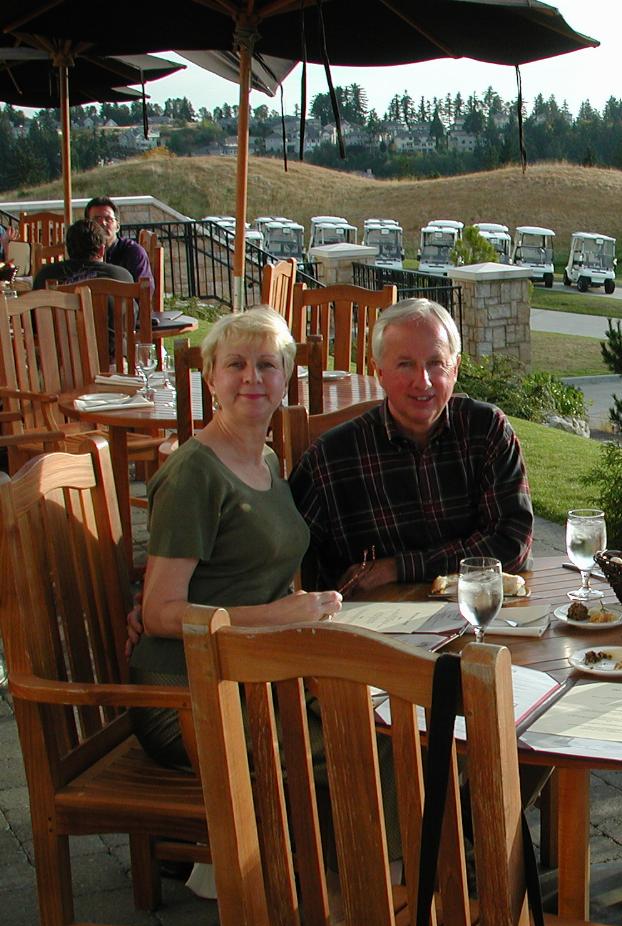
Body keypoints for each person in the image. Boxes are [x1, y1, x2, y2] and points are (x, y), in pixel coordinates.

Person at [131, 306, 341, 768]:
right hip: (188, 697)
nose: (252, 377)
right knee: (374, 748)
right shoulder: (194, 474)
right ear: (210, 379)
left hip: (253, 672)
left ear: (285, 377)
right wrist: (272, 617)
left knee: (405, 721)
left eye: (267, 364)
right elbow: (160, 614)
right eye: (235, 364)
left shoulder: (264, 458)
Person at [290, 297, 534, 593]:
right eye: (405, 365)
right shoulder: (330, 459)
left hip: (481, 619)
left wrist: (398, 568)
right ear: (378, 371)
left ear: (455, 369)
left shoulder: (486, 431)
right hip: (371, 628)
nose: (423, 382)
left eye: (435, 364)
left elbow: (512, 543)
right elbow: (286, 561)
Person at [31, 219, 132, 290]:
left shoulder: (45, 276)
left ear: (67, 249)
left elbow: (33, 317)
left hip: (62, 321)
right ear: (101, 250)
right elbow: (133, 314)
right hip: (106, 321)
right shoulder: (121, 277)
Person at [84, 196, 153, 284]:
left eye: (108, 219)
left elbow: (145, 292)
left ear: (117, 226)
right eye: (96, 219)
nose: (102, 223)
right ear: (86, 224)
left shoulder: (133, 252)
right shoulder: (82, 251)